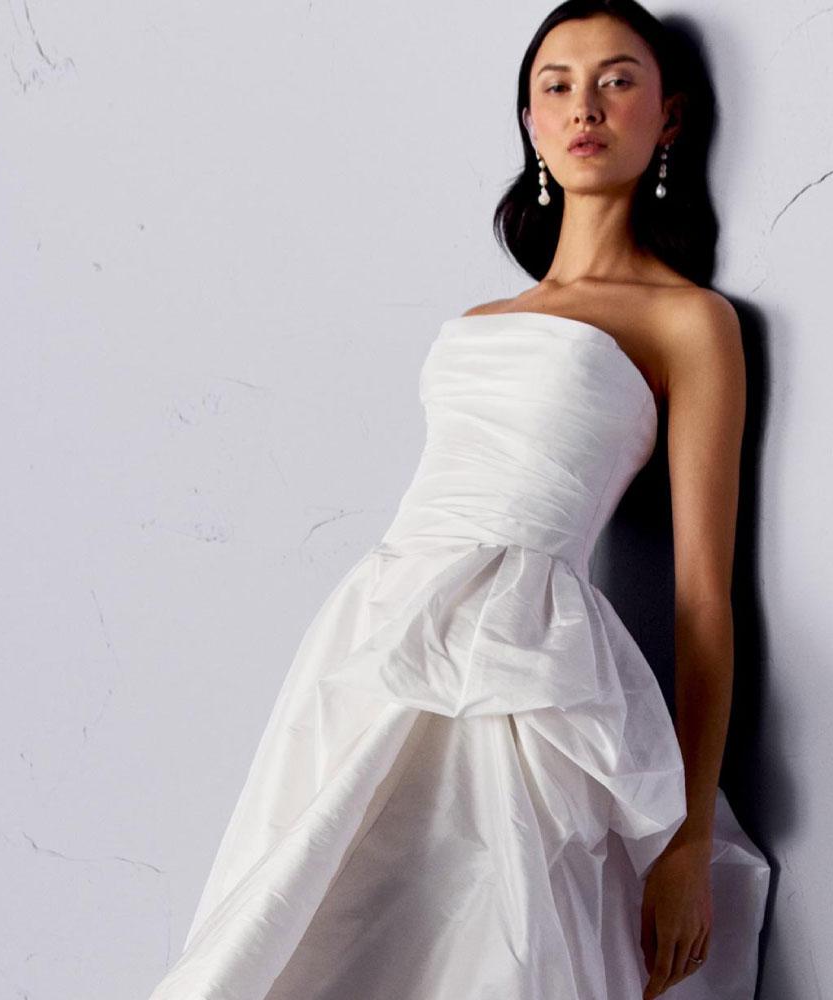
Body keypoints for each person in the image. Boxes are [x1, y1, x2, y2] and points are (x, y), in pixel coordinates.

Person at [145, 3, 769, 999]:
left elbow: (702, 597)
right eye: (557, 86)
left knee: (496, 944)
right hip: (376, 637)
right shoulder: (481, 320)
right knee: (300, 929)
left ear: (669, 117)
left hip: (525, 668)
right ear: (530, 122)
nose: (585, 106)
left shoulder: (691, 323)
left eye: (616, 81)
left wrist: (687, 838)